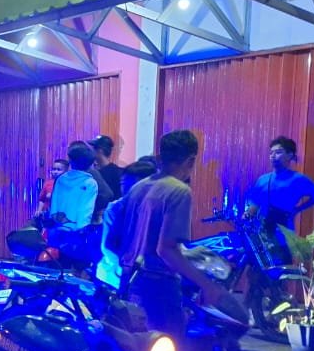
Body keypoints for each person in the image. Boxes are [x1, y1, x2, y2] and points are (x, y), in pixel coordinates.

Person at [112, 130, 226, 333]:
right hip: (160, 286)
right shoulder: (179, 191)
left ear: (160, 156)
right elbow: (166, 250)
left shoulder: (138, 188)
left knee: (137, 345)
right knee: (173, 346)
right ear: (191, 160)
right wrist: (207, 285)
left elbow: (113, 240)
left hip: (128, 282)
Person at [243, 136, 314, 230]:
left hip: (284, 230)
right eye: (271, 153)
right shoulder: (262, 179)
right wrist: (248, 214)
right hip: (261, 230)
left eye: (278, 152)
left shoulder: (298, 179)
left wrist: (297, 209)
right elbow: (255, 202)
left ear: (290, 155)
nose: (273, 156)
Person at [96, 159, 156, 289]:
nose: (126, 189)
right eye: (123, 184)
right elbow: (108, 246)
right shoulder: (116, 208)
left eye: (133, 185)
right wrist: (125, 270)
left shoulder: (158, 208)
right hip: (113, 275)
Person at [49, 141, 100, 232]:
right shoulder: (90, 183)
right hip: (76, 232)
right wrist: (82, 232)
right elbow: (86, 210)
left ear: (70, 160)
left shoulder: (61, 179)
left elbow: (54, 205)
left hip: (57, 229)